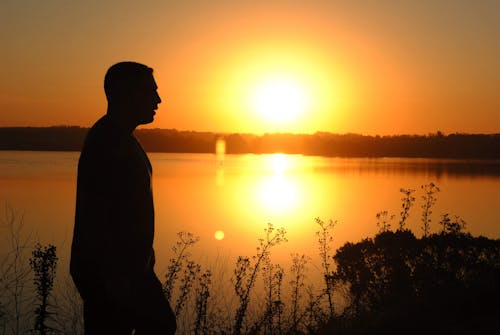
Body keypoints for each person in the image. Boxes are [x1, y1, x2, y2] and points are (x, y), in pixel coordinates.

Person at [70, 62, 176, 334]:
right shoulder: (108, 143)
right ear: (127, 94)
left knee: (162, 325)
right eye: (150, 91)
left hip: (128, 274)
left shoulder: (120, 139)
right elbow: (97, 218)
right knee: (160, 325)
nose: (158, 99)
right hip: (113, 278)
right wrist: (113, 283)